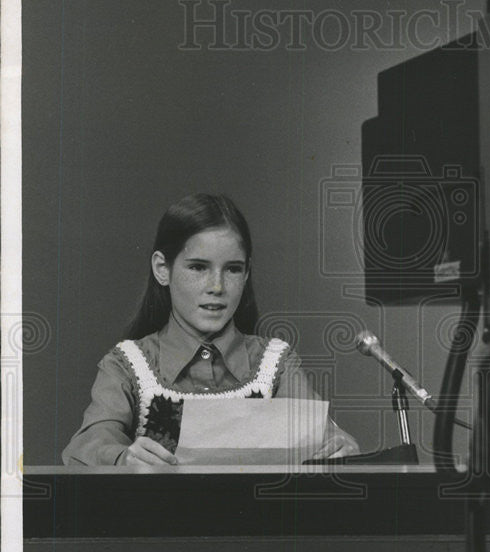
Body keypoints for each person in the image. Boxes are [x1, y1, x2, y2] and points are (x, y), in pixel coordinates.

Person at [62, 193, 360, 467]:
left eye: (232, 269)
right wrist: (123, 458)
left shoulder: (277, 364)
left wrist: (341, 446)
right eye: (198, 268)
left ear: (247, 274)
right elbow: (86, 445)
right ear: (162, 269)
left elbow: (324, 436)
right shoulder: (127, 365)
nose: (216, 287)